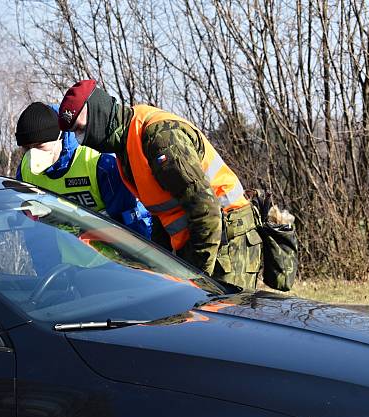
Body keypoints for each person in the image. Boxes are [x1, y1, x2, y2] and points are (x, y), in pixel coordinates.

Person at [58, 80, 261, 289]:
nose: (80, 139)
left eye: (81, 129)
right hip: (199, 238)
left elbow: (206, 209)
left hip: (228, 237)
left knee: (225, 315)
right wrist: (159, 268)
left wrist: (197, 278)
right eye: (74, 133)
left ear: (98, 113)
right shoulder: (126, 145)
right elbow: (160, 212)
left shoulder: (159, 138)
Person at [15, 102, 151, 239]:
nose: (33, 155)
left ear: (59, 137)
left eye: (40, 146)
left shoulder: (98, 163)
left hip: (112, 257)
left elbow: (130, 222)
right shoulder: (25, 171)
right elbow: (34, 229)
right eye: (27, 148)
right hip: (66, 259)